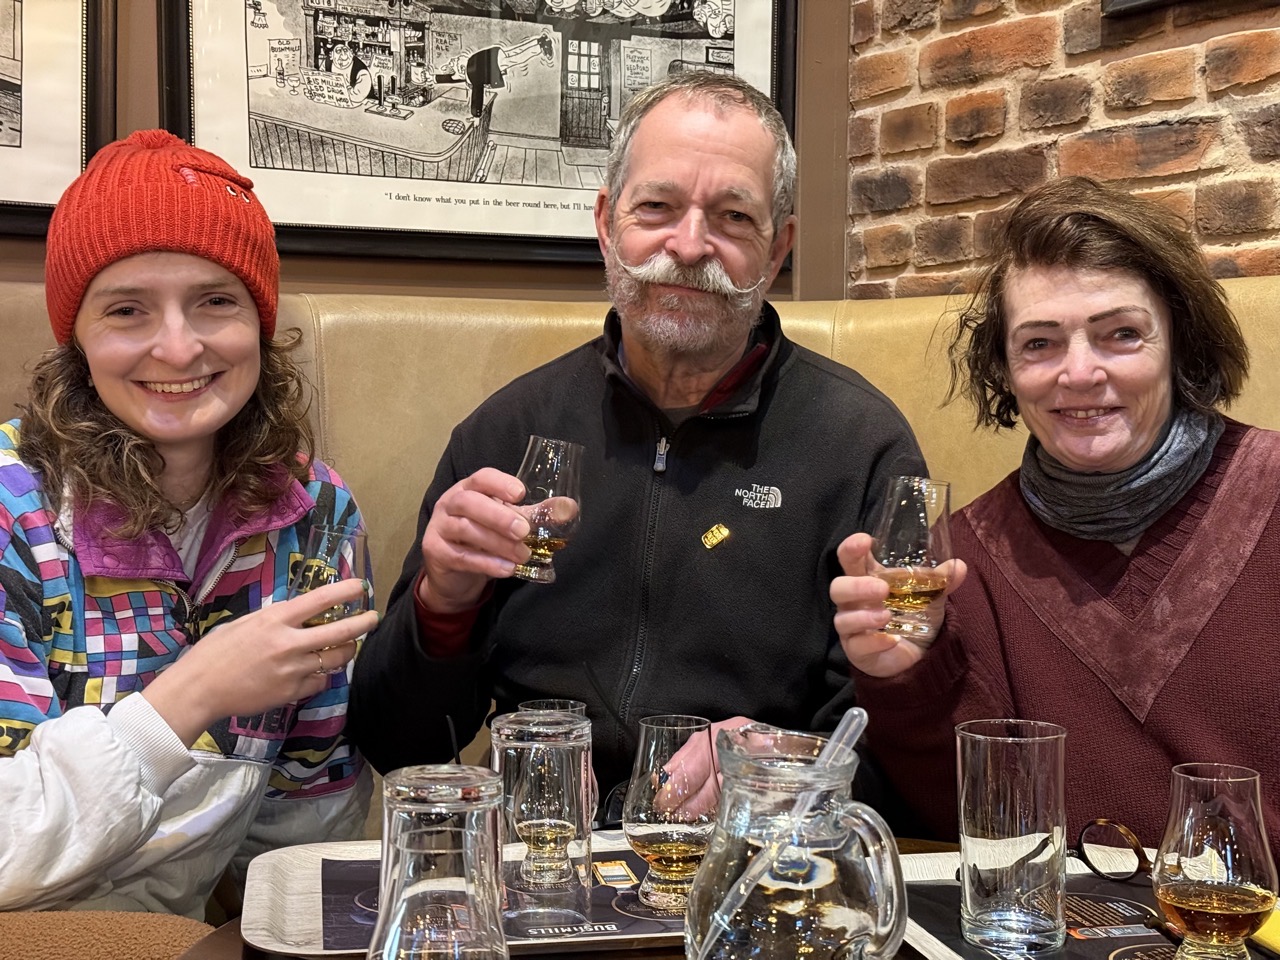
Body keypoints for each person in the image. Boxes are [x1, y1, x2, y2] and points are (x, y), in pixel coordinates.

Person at [350, 73, 925, 808]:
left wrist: (784, 766)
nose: (689, 246)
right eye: (656, 207)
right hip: (546, 864)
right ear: (605, 223)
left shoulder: (861, 445)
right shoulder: (507, 432)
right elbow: (398, 745)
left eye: (732, 217)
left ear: (777, 249)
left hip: (757, 873)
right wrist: (443, 604)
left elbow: (905, 769)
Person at [831, 176, 1280, 853]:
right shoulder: (964, 562)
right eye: (1040, 343)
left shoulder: (1268, 491)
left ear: (1180, 344)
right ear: (1005, 370)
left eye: (1121, 334)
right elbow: (972, 826)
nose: (1078, 372)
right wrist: (903, 681)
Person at [0, 130, 377, 915]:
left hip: (183, 936)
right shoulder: (14, 511)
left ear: (260, 323)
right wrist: (189, 695)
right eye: (128, 309)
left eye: (214, 301)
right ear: (78, 338)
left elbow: (306, 806)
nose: (178, 348)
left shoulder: (317, 518)